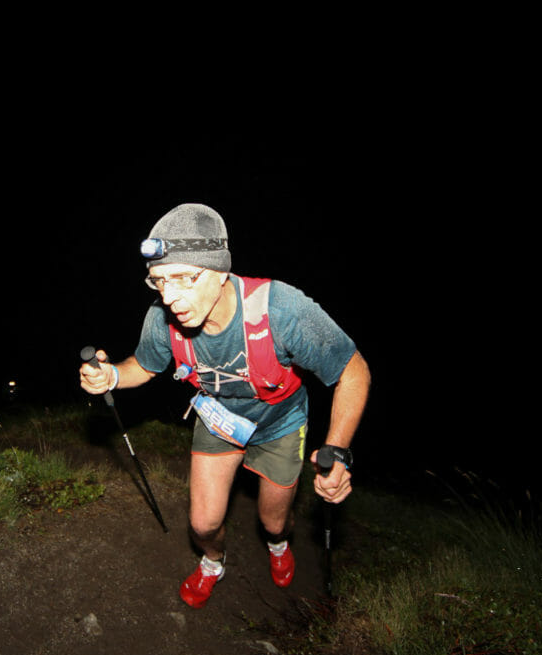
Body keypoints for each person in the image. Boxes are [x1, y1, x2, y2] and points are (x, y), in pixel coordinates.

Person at [79, 203, 370, 609]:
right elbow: (144, 366)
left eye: (183, 278)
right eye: (159, 282)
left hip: (281, 423)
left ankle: (279, 543)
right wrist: (111, 377)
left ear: (219, 273)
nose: (170, 296)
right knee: (202, 523)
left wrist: (337, 449)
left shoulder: (282, 310)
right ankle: (213, 562)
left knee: (273, 520)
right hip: (219, 419)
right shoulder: (162, 318)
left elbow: (353, 371)